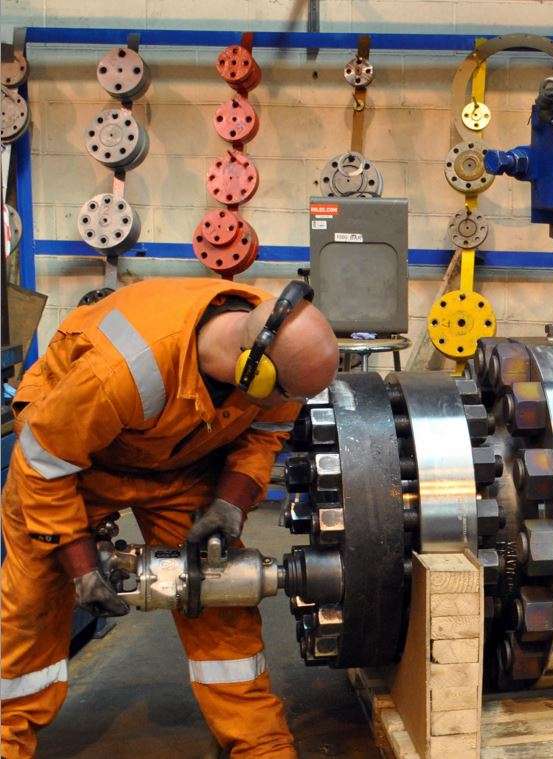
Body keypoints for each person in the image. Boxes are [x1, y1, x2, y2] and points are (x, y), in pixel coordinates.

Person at [0, 277, 339, 758]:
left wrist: (230, 502)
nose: (290, 404)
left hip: (176, 464)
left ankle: (260, 743)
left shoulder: (275, 352)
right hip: (69, 467)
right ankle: (7, 734)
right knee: (32, 603)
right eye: (287, 393)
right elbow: (44, 463)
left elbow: (266, 432)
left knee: (217, 590)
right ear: (255, 374)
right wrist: (79, 564)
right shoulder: (122, 370)